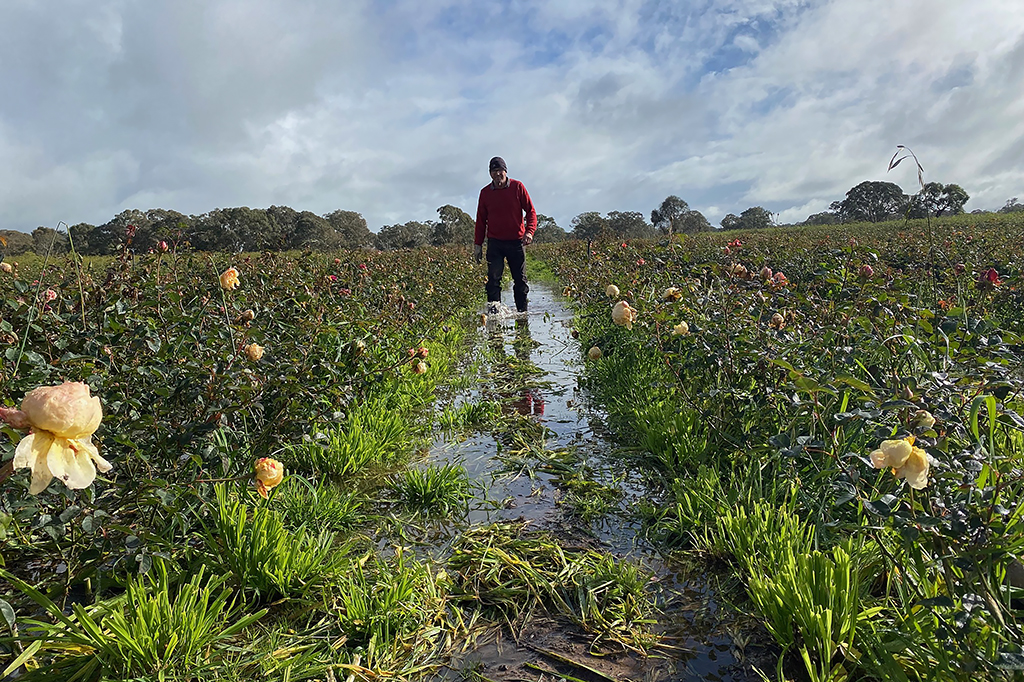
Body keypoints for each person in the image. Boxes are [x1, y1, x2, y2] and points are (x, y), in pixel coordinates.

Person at [474, 156, 537, 313]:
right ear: (490, 174)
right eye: (493, 171)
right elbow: (480, 220)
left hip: (516, 242)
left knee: (520, 281)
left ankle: (522, 314)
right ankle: (495, 316)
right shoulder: (485, 193)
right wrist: (477, 245)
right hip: (495, 243)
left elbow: (531, 211)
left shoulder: (517, 187)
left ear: (505, 171)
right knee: (493, 280)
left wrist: (529, 232)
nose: (497, 175)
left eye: (500, 171)